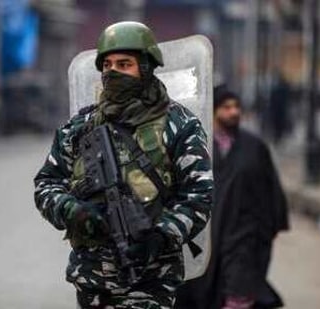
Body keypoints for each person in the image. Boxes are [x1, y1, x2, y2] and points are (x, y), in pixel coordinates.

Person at [33, 21, 213, 308]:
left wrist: (162, 235)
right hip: (93, 280)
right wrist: (73, 210)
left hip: (151, 280)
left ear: (145, 67)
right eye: (107, 65)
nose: (113, 72)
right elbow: (46, 184)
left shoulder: (179, 125)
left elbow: (199, 196)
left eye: (124, 64)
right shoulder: (79, 127)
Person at [175, 89, 289, 309]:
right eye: (226, 107)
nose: (234, 112)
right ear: (214, 110)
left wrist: (266, 230)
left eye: (236, 107)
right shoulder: (198, 145)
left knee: (238, 293)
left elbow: (271, 190)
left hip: (244, 236)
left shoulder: (254, 147)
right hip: (207, 236)